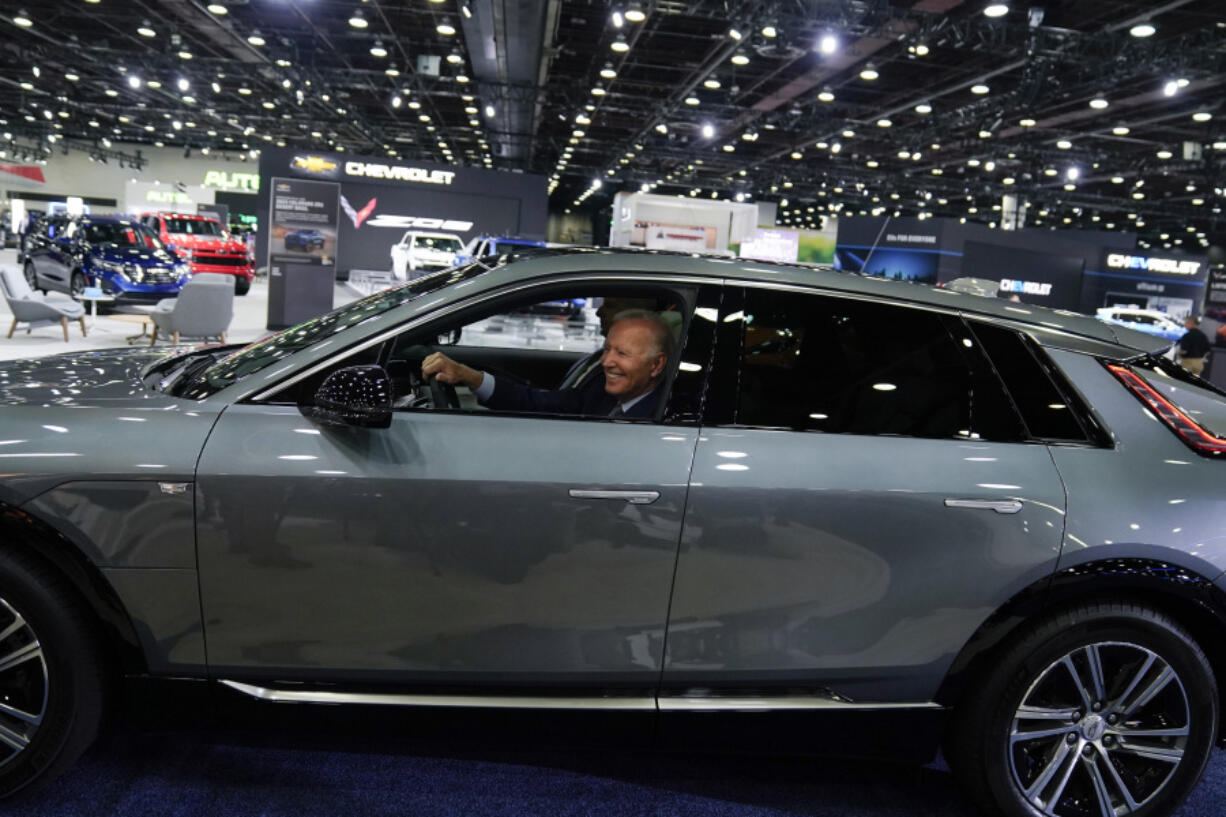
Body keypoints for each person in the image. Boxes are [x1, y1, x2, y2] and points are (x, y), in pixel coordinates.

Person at [421, 310, 674, 419]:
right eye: (606, 349)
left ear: (656, 365)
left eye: (622, 353)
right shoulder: (601, 393)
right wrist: (470, 377)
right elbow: (537, 403)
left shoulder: (666, 418)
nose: (606, 362)